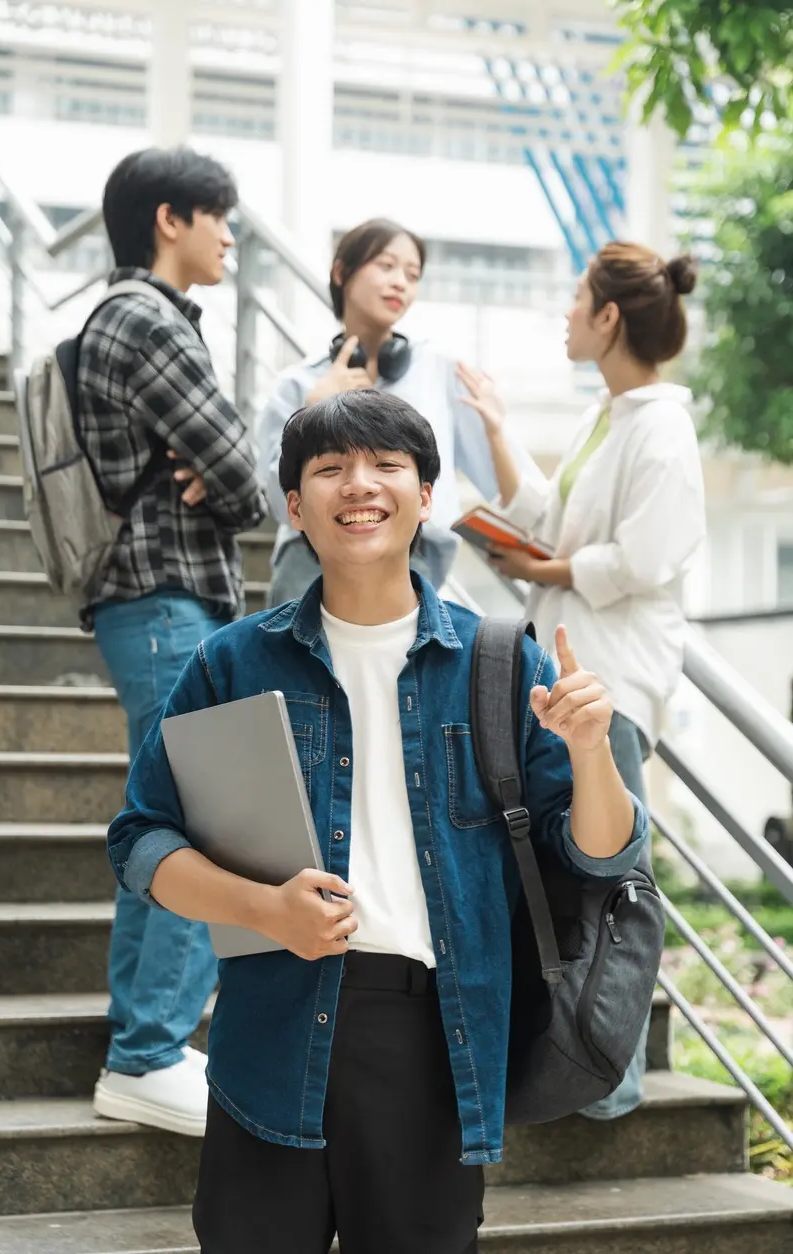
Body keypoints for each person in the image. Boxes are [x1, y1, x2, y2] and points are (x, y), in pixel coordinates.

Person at [106, 389, 648, 1253]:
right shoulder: (233, 662)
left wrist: (591, 751)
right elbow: (140, 838)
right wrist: (263, 909)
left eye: (387, 465)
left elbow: (598, 855)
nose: (360, 484)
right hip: (272, 1030)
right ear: (294, 507)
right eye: (330, 469)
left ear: (425, 495)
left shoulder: (499, 659)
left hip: (432, 1039)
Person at [457, 240, 706, 1121]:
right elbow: (549, 523)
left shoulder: (661, 426)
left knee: (616, 886)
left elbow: (645, 556)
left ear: (609, 318)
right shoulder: (612, 415)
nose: (565, 314)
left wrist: (548, 568)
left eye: (576, 301)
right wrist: (494, 426)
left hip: (614, 684)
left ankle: (612, 1076)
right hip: (571, 679)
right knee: (572, 876)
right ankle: (586, 1065)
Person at [79, 146, 267, 1135]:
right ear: (169, 219)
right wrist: (212, 471)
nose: (230, 234)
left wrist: (212, 467)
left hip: (150, 603)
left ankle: (141, 1038)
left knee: (163, 817)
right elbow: (243, 480)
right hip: (164, 599)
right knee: (205, 824)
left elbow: (228, 473)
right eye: (218, 216)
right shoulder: (149, 321)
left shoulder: (129, 320)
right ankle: (147, 1050)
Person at [258, 217, 532, 605]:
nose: (400, 282)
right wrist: (312, 412)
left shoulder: (441, 371)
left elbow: (512, 487)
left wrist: (496, 429)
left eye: (412, 273)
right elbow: (276, 501)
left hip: (412, 560)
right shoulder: (298, 384)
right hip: (311, 563)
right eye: (386, 266)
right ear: (341, 272)